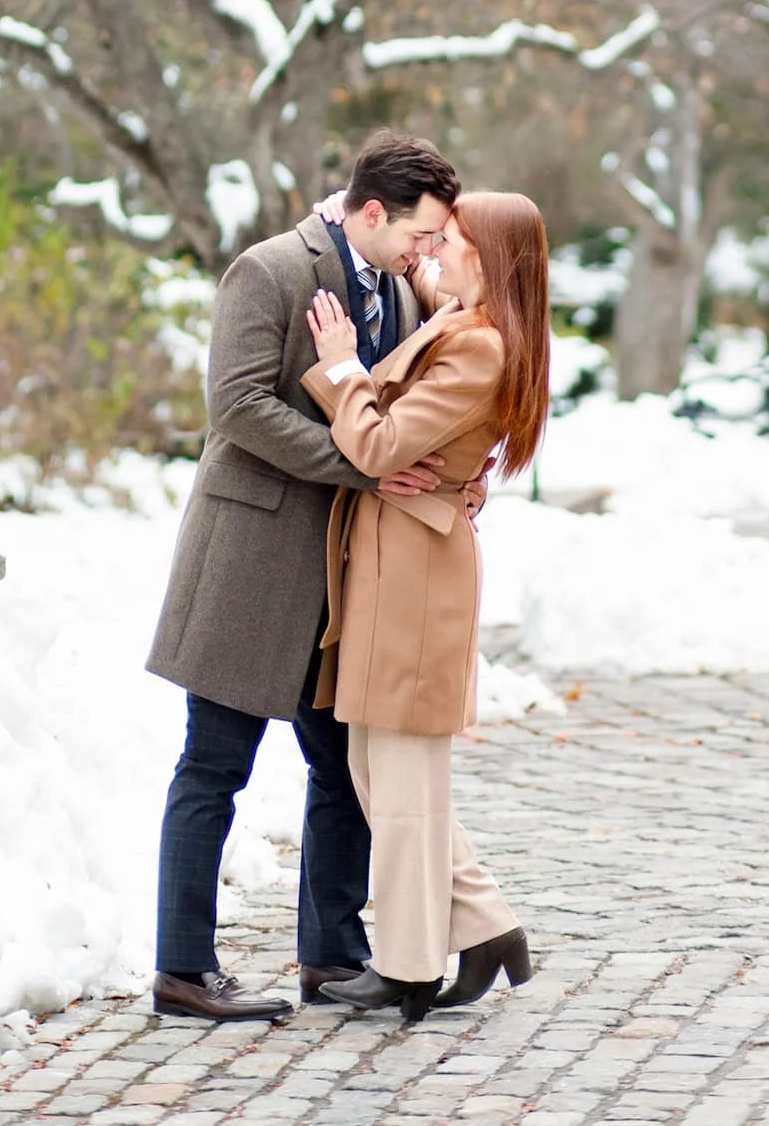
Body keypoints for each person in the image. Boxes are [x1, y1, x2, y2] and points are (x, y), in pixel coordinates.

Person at [145, 132, 461, 1022]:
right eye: (420, 235)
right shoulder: (271, 271)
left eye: (435, 241)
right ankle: (181, 969)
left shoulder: (398, 287)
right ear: (371, 213)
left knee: (343, 768)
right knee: (214, 766)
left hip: (339, 575)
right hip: (250, 563)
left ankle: (331, 958)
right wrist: (358, 464)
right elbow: (236, 405)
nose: (425, 253)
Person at [299, 189, 551, 1024]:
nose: (439, 244)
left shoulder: (480, 348)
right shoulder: (462, 318)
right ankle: (484, 927)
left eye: (457, 237)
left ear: (493, 257)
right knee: (377, 769)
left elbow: (374, 445)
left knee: (401, 776)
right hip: (393, 559)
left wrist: (341, 366)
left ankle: (409, 965)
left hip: (414, 571)